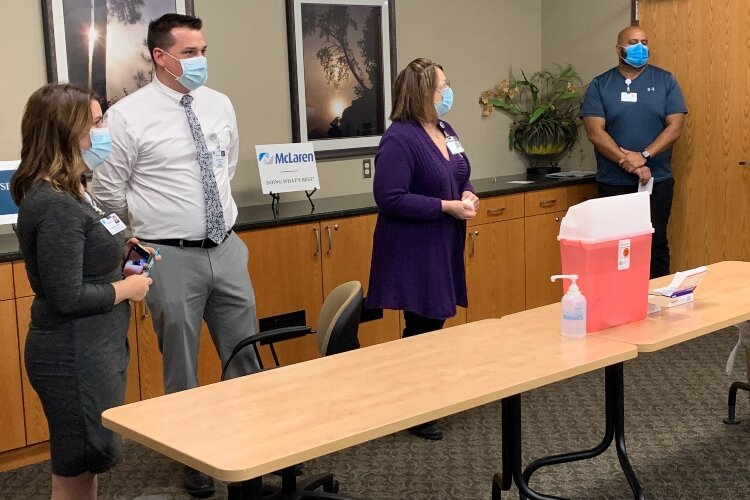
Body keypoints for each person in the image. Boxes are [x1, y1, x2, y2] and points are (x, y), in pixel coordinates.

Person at [91, 13, 260, 497]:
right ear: (160, 57)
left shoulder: (220, 105)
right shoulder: (128, 115)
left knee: (242, 352)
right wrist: (146, 236)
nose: (200, 60)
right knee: (181, 364)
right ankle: (193, 458)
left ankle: (251, 447)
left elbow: (224, 169)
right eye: (190, 53)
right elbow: (107, 193)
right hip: (167, 257)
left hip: (226, 248)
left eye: (203, 51)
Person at [11, 83, 153, 500]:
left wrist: (125, 251)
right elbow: (67, 295)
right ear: (63, 131)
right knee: (79, 462)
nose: (104, 130)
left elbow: (89, 243)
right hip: (72, 355)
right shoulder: (54, 203)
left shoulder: (74, 188)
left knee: (89, 460)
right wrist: (127, 287)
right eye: (95, 123)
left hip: (95, 347)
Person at [366, 58, 478, 441]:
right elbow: (390, 197)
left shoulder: (444, 128)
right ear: (421, 93)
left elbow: (461, 174)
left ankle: (423, 397)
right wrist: (445, 206)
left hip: (444, 240)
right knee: (423, 324)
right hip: (413, 245)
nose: (447, 92)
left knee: (434, 322)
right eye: (440, 86)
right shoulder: (400, 136)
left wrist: (467, 194)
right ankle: (411, 405)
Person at [580, 25, 687, 278]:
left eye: (644, 41)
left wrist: (645, 156)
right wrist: (628, 161)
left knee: (656, 243)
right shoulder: (600, 85)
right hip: (614, 182)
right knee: (616, 247)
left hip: (656, 181)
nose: (640, 47)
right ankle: (618, 306)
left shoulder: (665, 81)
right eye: (633, 42)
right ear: (619, 49)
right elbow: (595, 132)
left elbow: (675, 127)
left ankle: (658, 304)